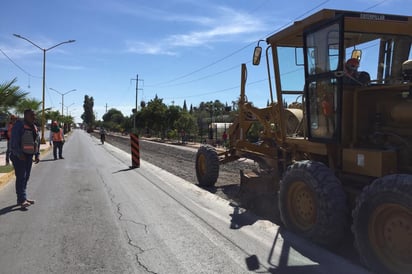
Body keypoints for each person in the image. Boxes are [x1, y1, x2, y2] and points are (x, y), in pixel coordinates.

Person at [10, 109, 40, 209]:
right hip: (19, 156)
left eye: (35, 115)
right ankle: (22, 199)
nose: (34, 117)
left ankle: (23, 198)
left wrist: (37, 154)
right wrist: (19, 154)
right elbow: (14, 141)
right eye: (32, 115)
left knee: (26, 177)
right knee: (21, 177)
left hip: (29, 155)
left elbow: (36, 142)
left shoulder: (34, 127)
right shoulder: (19, 125)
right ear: (26, 115)